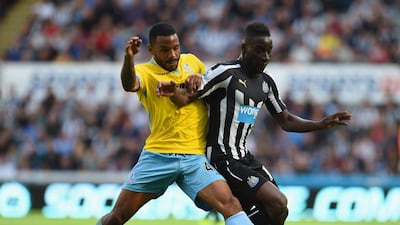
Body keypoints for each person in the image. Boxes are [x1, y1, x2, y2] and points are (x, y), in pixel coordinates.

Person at [157, 22, 352, 225]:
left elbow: (285, 120)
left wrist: (320, 124)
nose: (265, 57)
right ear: (244, 48)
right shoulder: (225, 73)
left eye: (268, 52)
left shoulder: (266, 83)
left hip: (244, 158)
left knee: (279, 211)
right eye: (259, 50)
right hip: (222, 158)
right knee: (277, 202)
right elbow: (188, 96)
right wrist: (174, 93)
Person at [96, 22, 255, 225]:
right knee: (116, 218)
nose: (172, 54)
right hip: (158, 156)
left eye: (176, 47)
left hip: (193, 157)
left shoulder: (192, 62)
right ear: (151, 50)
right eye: (165, 50)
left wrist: (199, 79)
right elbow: (129, 84)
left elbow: (206, 88)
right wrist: (128, 58)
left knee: (231, 205)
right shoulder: (145, 72)